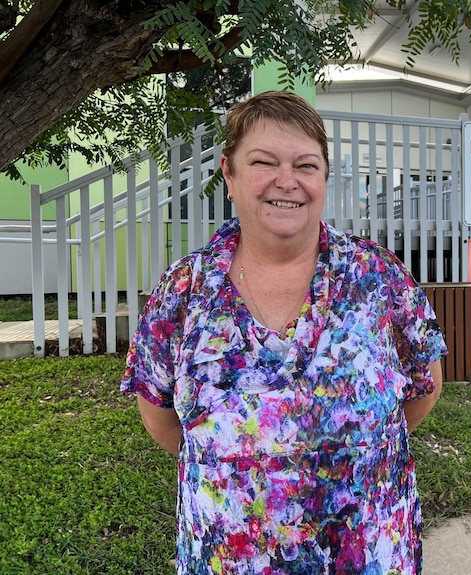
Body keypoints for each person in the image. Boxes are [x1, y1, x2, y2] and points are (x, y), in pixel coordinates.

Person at [121, 90, 447, 575]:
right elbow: (161, 418)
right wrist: (254, 470)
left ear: (324, 178)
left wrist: (349, 462)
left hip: (367, 556)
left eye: (306, 166)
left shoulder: (376, 276)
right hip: (229, 560)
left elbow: (425, 386)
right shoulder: (184, 290)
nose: (286, 181)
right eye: (264, 162)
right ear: (229, 174)